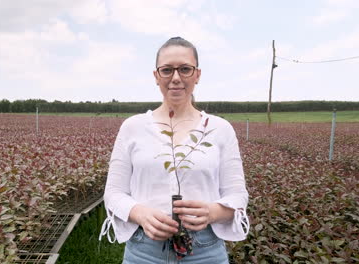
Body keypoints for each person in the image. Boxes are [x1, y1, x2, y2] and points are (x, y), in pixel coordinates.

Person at [99, 37, 249, 263]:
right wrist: (140, 213)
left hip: (205, 251)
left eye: (185, 69)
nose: (176, 78)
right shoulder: (133, 127)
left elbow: (238, 196)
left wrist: (213, 212)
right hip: (144, 251)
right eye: (167, 70)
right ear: (156, 76)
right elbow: (113, 194)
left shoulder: (220, 129)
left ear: (197, 74)